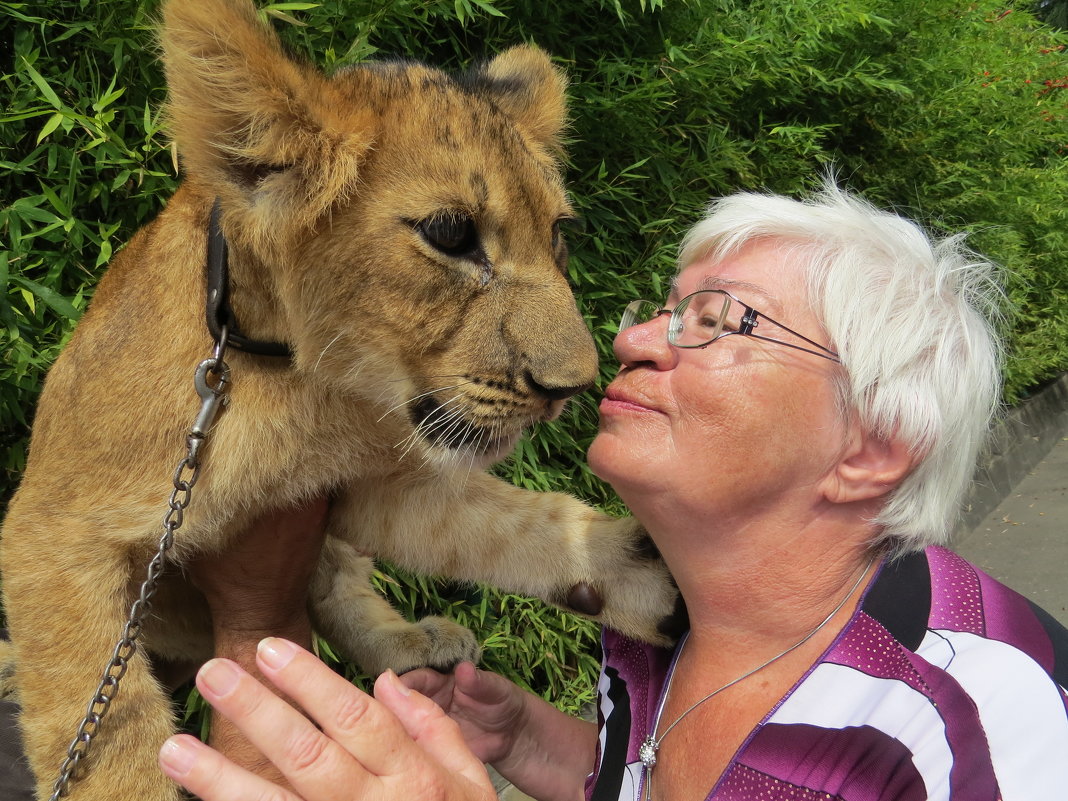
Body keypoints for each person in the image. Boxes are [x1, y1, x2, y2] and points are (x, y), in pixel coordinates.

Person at [155, 181, 1068, 801]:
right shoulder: (661, 615)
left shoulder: (984, 717)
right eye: (664, 306)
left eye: (719, 320)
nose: (628, 341)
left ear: (872, 447)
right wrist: (532, 744)